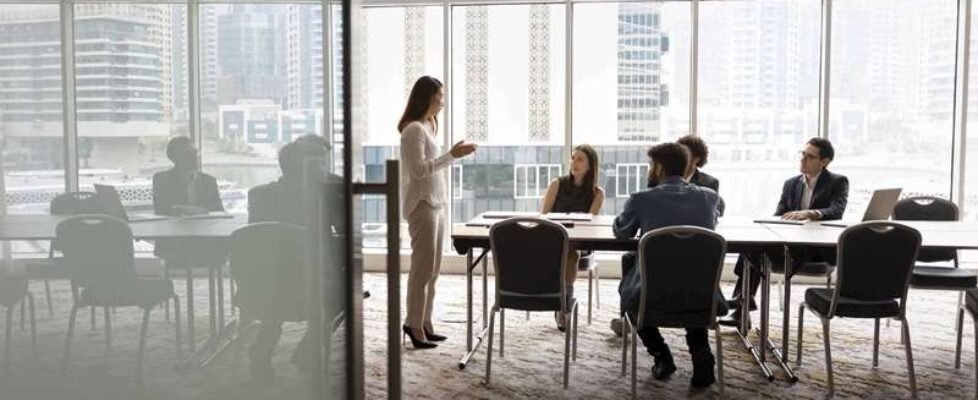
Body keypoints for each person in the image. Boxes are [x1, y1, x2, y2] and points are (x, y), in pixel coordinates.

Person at [613, 142, 723, 388]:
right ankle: (700, 350)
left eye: (650, 166)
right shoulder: (710, 197)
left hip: (653, 295)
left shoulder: (642, 199)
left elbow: (622, 232)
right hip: (702, 294)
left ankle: (661, 354)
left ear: (659, 168)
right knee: (689, 282)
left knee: (628, 295)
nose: (649, 171)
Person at [719, 137, 848, 327]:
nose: (803, 159)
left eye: (810, 157)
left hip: (817, 250)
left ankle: (742, 303)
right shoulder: (791, 184)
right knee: (752, 248)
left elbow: (837, 210)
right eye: (802, 154)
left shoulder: (837, 181)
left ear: (824, 162)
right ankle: (742, 304)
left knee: (755, 253)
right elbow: (780, 214)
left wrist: (811, 213)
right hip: (789, 244)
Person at [245, 136, 337, 382]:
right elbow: (343, 228)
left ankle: (261, 351)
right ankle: (307, 355)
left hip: (265, 282)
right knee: (345, 296)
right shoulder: (321, 196)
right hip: (310, 283)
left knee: (275, 302)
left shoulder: (259, 194)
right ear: (310, 168)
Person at [400, 76, 477, 349]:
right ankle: (413, 324)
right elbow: (419, 170)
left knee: (433, 271)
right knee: (421, 271)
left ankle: (425, 322)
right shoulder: (413, 130)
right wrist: (452, 155)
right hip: (422, 205)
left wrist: (451, 155)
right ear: (427, 97)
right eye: (439, 96)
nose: (443, 102)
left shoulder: (428, 127)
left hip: (436, 204)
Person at [540, 144, 605, 331]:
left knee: (572, 253)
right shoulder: (557, 184)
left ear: (590, 165)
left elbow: (590, 225)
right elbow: (543, 216)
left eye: (580, 159)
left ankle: (564, 304)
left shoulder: (597, 193)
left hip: (579, 242)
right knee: (566, 250)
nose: (574, 162)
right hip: (554, 238)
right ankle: (563, 302)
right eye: (573, 158)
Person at [152, 136, 223, 216]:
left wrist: (193, 210)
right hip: (173, 226)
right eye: (188, 154)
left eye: (195, 152)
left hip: (205, 226)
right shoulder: (162, 180)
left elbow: (218, 212)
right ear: (174, 157)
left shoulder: (209, 181)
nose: (195, 157)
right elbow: (161, 210)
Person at [676, 134, 725, 216]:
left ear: (696, 159)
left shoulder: (709, 183)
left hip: (696, 226)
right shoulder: (666, 178)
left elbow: (711, 212)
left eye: (684, 155)